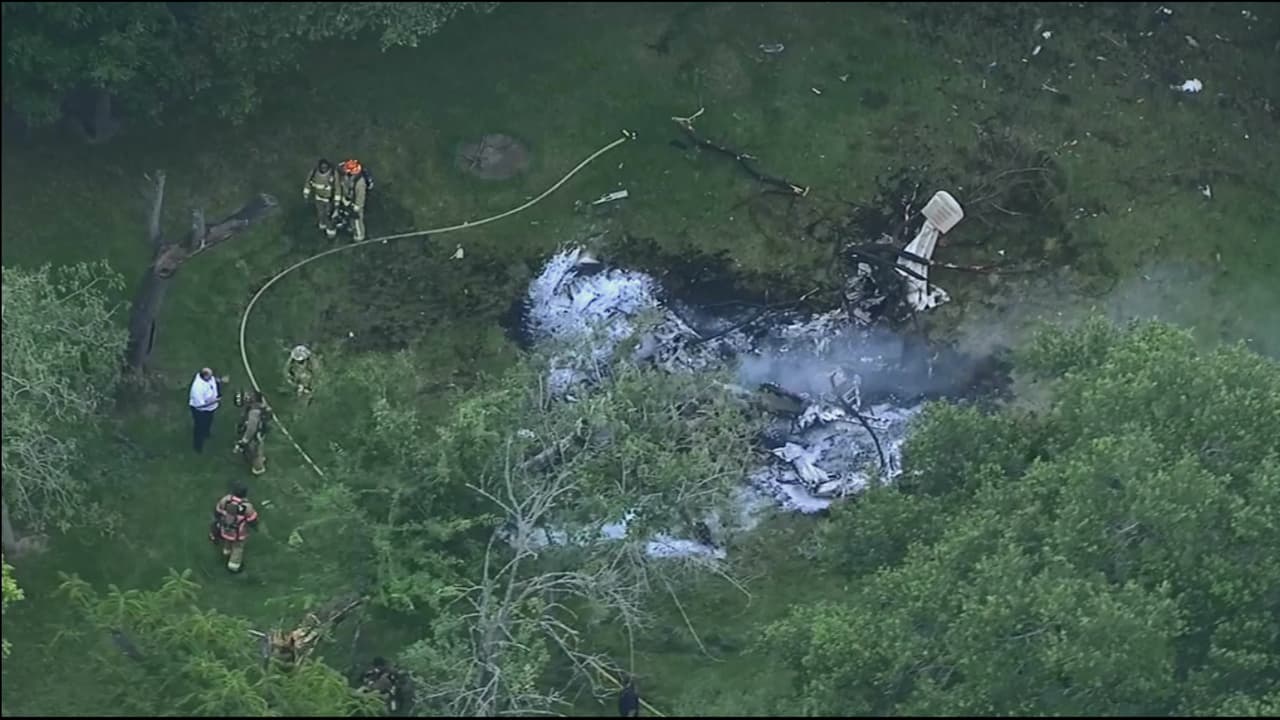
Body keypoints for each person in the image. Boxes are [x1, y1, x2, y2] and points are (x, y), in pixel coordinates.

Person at [211, 485, 259, 573]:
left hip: (225, 530)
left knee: (227, 541)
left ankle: (226, 552)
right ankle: (233, 566)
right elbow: (252, 520)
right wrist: (256, 528)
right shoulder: (247, 507)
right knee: (238, 547)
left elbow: (217, 512)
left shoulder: (225, 500)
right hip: (238, 534)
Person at [233, 390, 272, 475]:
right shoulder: (259, 404)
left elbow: (251, 428)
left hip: (256, 435)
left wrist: (244, 440)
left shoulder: (253, 413)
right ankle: (261, 458)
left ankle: (258, 468)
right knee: (259, 448)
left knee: (254, 452)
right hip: (260, 430)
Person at [188, 367, 225, 453]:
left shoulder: (208, 378)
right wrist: (215, 401)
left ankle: (206, 433)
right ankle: (198, 446)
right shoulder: (197, 389)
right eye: (210, 376)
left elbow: (213, 380)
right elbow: (200, 405)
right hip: (200, 411)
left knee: (209, 421)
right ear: (204, 376)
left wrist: (220, 380)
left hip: (210, 409)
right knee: (199, 428)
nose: (212, 377)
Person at [333, 159, 369, 242]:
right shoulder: (345, 176)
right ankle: (351, 228)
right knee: (348, 217)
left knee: (357, 220)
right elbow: (341, 187)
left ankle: (359, 237)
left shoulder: (360, 183)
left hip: (355, 204)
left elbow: (360, 198)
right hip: (347, 200)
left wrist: (355, 209)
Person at [302, 158, 338, 239]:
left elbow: (337, 188)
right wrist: (306, 194)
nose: (323, 169)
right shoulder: (314, 172)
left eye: (325, 167)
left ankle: (331, 233)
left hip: (329, 200)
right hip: (318, 198)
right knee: (320, 214)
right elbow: (308, 183)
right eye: (322, 167)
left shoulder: (333, 174)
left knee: (329, 216)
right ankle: (322, 227)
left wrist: (336, 202)